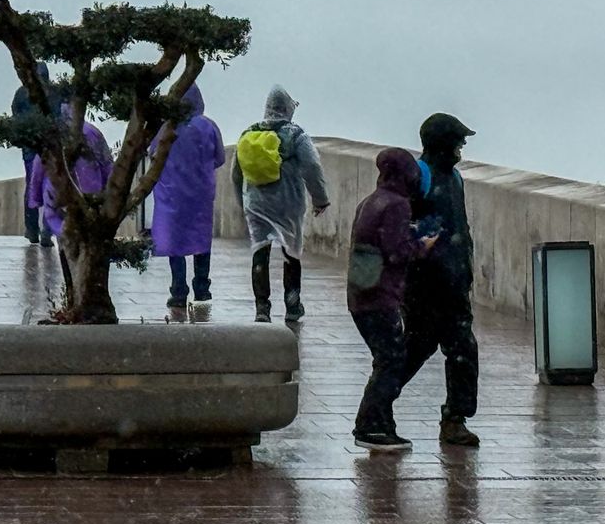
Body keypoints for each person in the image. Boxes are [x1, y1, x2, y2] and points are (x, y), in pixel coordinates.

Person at [348, 147, 441, 451]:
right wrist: (423, 244)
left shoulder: (369, 202)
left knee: (385, 358)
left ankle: (384, 425)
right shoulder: (397, 205)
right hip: (381, 296)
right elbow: (396, 252)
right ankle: (369, 427)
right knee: (390, 361)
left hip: (360, 294)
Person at [400, 113, 481, 447]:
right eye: (457, 141)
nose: (461, 148)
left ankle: (455, 418)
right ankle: (377, 404)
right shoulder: (419, 176)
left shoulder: (457, 178)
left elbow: (460, 227)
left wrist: (465, 267)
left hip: (455, 281)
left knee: (463, 348)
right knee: (415, 348)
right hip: (423, 284)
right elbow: (402, 228)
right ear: (442, 144)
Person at [232, 86, 329, 323]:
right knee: (291, 252)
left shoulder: (249, 132)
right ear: (288, 109)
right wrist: (320, 199)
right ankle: (292, 304)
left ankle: (262, 308)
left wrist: (242, 203)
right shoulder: (296, 135)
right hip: (288, 203)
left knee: (260, 250)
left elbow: (236, 173)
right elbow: (312, 167)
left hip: (256, 204)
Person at [149, 85, 225, 315]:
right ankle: (202, 289)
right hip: (200, 194)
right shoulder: (209, 126)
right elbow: (220, 158)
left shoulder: (166, 128)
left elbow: (153, 153)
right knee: (202, 240)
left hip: (172, 193)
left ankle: (178, 291)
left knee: (176, 243)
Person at [26, 109, 114, 290]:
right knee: (88, 240)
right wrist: (109, 190)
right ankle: (87, 287)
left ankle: (71, 288)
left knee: (64, 240)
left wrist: (34, 198)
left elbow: (38, 167)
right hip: (90, 192)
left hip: (57, 195)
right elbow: (106, 163)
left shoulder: (52, 134)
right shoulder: (93, 132)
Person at [10, 64, 59, 244]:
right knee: (51, 186)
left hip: (30, 148)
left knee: (32, 185)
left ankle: (31, 229)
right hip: (52, 147)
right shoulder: (55, 92)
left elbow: (15, 117)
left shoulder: (22, 93)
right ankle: (47, 229)